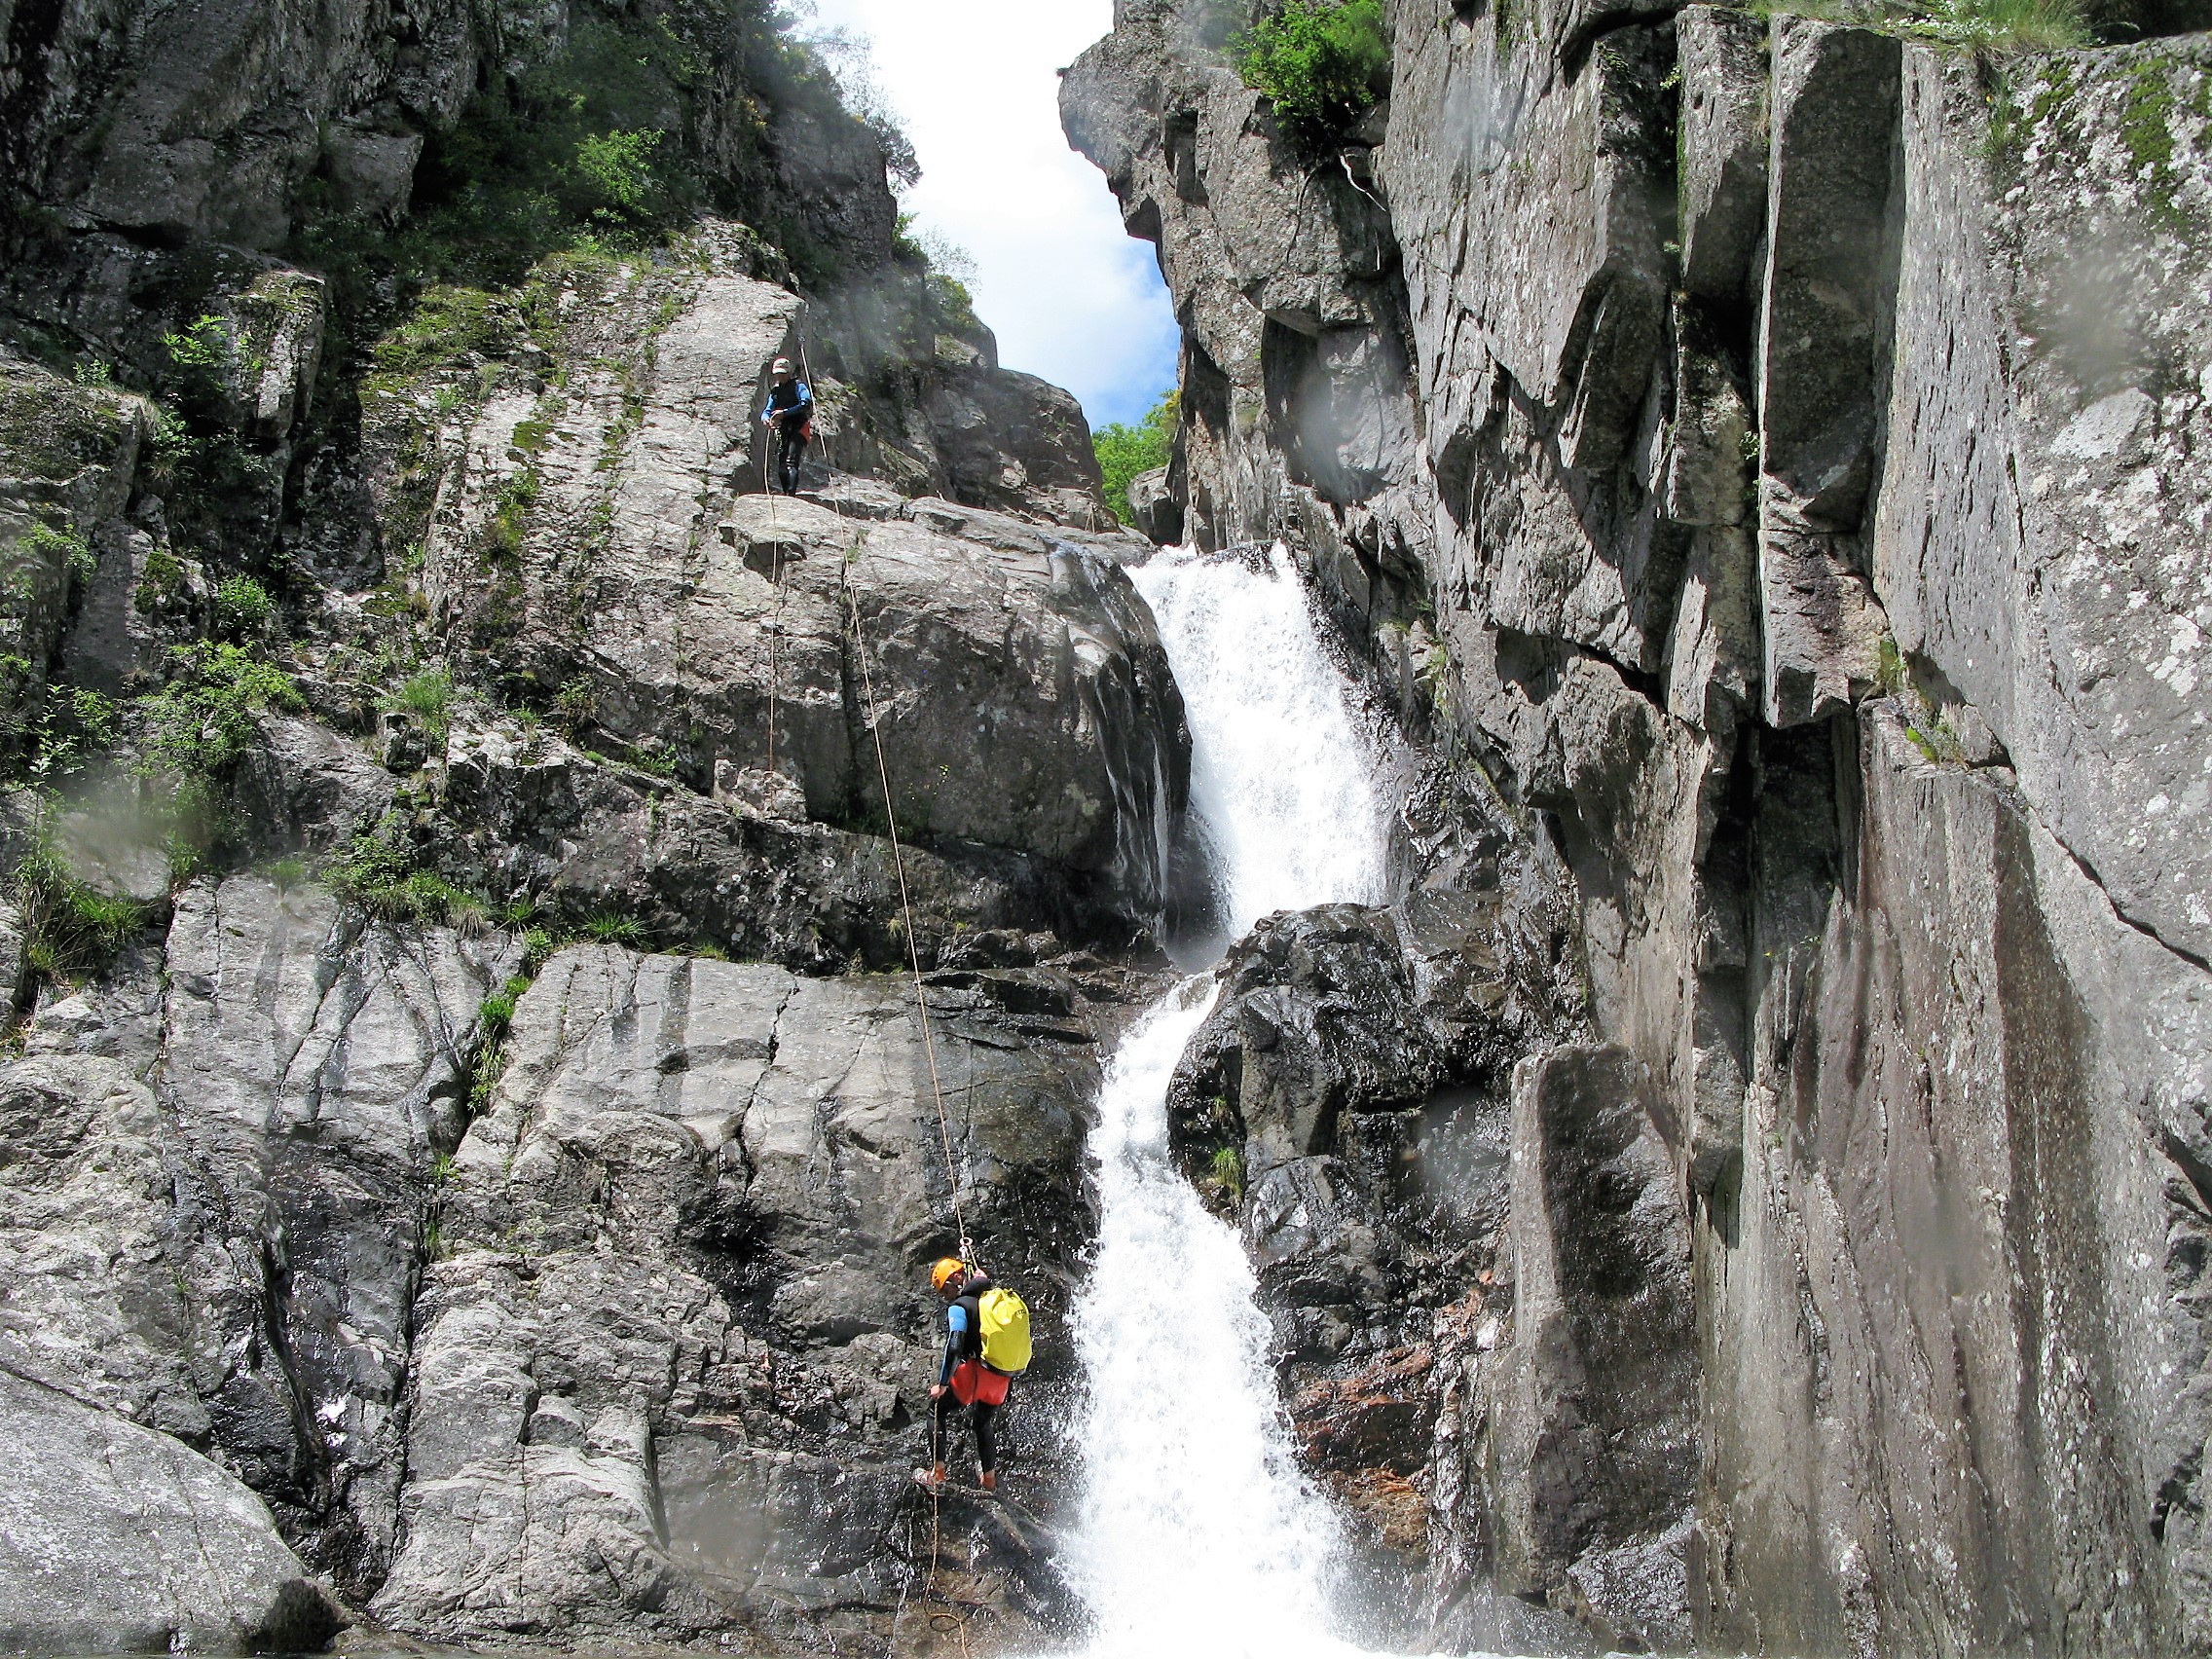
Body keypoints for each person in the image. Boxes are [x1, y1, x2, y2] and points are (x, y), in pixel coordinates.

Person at [920, 1256, 1010, 1493]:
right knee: (982, 1422)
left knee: (936, 1410)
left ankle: (937, 1474)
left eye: (945, 1289)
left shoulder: (960, 1306)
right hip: (1001, 1378)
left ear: (956, 1278)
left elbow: (955, 1344)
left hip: (976, 1374)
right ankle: (989, 1480)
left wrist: (943, 1384)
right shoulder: (990, 1298)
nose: (945, 1296)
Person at [760, 356, 813, 495]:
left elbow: (805, 403)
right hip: (784, 429)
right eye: (778, 373)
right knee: (782, 466)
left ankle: (791, 495)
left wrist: (784, 412)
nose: (780, 376)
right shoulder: (776, 391)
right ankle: (786, 493)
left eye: (783, 373)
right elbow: (767, 410)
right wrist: (766, 419)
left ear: (789, 373)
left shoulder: (798, 386)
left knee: (791, 462)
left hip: (800, 427)